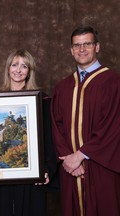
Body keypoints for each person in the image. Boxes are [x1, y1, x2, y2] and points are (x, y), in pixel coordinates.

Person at [51, 25, 120, 216]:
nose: (82, 49)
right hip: (70, 169)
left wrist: (80, 155)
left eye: (87, 44)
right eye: (77, 45)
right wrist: (69, 158)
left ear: (97, 47)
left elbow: (114, 127)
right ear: (71, 50)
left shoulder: (113, 83)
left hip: (101, 167)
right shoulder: (63, 87)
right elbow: (56, 127)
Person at [0, 49, 58, 216]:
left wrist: (47, 168)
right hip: (0, 175)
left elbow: (49, 139)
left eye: (24, 66)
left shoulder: (43, 101)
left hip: (30, 175)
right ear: (8, 68)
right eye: (14, 65)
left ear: (29, 71)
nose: (18, 70)